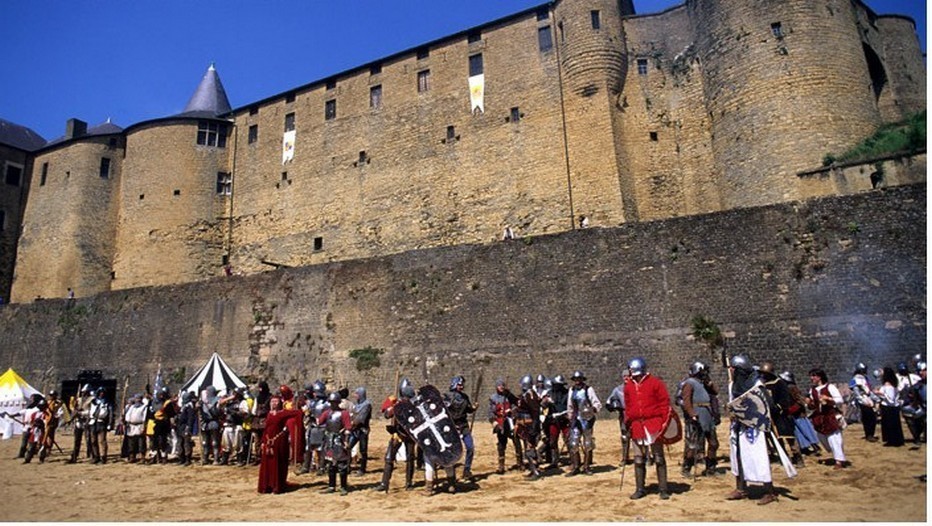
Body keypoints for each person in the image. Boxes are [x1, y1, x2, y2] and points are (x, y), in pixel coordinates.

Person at [726, 355, 778, 505]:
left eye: (733, 369)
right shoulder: (733, 385)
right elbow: (733, 403)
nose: (731, 371)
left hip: (755, 427)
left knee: (758, 456)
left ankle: (769, 491)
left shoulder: (756, 384)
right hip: (738, 426)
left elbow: (767, 405)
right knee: (737, 457)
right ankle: (741, 488)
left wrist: (747, 413)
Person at [624, 358, 671, 499]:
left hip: (654, 424)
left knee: (658, 457)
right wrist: (628, 422)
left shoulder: (655, 383)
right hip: (637, 425)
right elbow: (628, 406)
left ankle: (663, 489)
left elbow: (664, 403)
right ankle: (640, 489)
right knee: (638, 458)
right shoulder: (628, 386)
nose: (633, 374)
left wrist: (664, 422)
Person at [375, 378, 417, 492]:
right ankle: (387, 483)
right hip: (399, 433)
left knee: (406, 458)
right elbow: (388, 415)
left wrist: (392, 407)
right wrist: (392, 406)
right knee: (393, 458)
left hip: (407, 434)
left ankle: (407, 483)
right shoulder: (400, 404)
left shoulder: (410, 405)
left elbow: (387, 415)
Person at [679, 361, 720, 477]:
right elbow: (686, 400)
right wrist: (692, 413)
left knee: (713, 443)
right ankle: (687, 468)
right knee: (693, 445)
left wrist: (709, 383)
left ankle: (710, 468)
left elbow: (715, 392)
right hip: (697, 414)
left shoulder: (704, 383)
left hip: (707, 414)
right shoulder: (689, 383)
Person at [759, 362, 803, 467]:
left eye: (765, 373)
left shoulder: (779, 383)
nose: (763, 375)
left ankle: (798, 458)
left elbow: (785, 398)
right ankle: (784, 458)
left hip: (782, 415)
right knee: (777, 440)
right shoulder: (762, 385)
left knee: (790, 438)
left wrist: (778, 407)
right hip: (770, 417)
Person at [257, 395, 303, 494]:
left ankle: (277, 486)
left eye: (276, 401)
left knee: (277, 463)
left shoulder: (283, 413)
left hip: (279, 442)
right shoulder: (268, 414)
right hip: (268, 441)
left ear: (280, 403)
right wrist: (263, 442)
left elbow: (298, 413)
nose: (274, 403)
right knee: (267, 464)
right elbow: (266, 429)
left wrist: (299, 406)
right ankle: (267, 486)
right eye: (272, 401)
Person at [806, 368, 848, 469]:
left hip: (830, 416)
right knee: (822, 437)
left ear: (819, 377)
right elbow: (813, 405)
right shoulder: (813, 390)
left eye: (813, 376)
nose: (811, 378)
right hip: (819, 417)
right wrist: (809, 403)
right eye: (811, 376)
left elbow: (839, 400)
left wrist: (828, 398)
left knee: (834, 438)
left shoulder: (830, 387)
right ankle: (836, 454)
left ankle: (839, 461)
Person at [566, 370, 601, 476]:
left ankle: (586, 466)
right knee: (573, 443)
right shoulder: (571, 390)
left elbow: (596, 403)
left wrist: (592, 410)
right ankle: (576, 466)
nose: (577, 382)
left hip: (587, 419)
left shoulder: (588, 390)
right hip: (576, 419)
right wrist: (570, 417)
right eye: (575, 380)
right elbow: (570, 405)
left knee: (588, 443)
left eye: (579, 379)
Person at [780, 371, 821, 456]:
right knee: (798, 433)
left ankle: (816, 447)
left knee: (806, 431)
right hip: (793, 415)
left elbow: (800, 401)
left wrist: (792, 409)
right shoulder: (786, 388)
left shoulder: (792, 387)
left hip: (799, 414)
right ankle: (805, 449)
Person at [319, 392, 353, 495]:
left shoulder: (344, 413)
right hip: (329, 440)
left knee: (342, 465)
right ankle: (331, 485)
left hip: (339, 440)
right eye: (331, 402)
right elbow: (320, 422)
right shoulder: (327, 413)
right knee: (330, 465)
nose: (333, 404)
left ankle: (343, 486)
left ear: (338, 402)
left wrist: (346, 440)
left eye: (334, 402)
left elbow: (348, 428)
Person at [444, 375, 476, 480]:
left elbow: (468, 409)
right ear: (454, 384)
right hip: (452, 427)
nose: (461, 387)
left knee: (470, 448)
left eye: (462, 385)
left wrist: (474, 408)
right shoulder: (447, 397)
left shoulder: (465, 397)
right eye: (459, 384)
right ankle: (451, 474)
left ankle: (467, 470)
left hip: (463, 425)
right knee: (452, 450)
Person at [488, 378, 520, 474]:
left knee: (516, 441)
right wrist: (494, 422)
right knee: (501, 444)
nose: (501, 387)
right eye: (499, 385)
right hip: (501, 423)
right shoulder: (493, 398)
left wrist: (512, 410)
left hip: (510, 422)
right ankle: (501, 466)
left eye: (502, 385)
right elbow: (491, 412)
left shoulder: (509, 396)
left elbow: (518, 403)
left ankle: (520, 463)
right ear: (496, 387)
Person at [514, 375, 543, 479]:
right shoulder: (527, 395)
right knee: (528, 449)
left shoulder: (530, 395)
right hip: (526, 425)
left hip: (531, 426)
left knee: (530, 450)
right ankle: (532, 470)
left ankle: (535, 472)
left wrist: (533, 428)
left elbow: (535, 412)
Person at [299, 381, 327, 475]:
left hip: (322, 427)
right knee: (308, 447)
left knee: (321, 448)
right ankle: (306, 466)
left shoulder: (326, 403)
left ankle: (321, 467)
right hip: (312, 426)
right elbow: (308, 413)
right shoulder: (311, 402)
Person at [875, 367, 905, 447]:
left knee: (891, 424)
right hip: (891, 407)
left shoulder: (888, 385)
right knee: (891, 424)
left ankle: (893, 440)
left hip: (889, 407)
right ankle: (892, 440)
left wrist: (880, 394)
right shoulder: (892, 383)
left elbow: (890, 399)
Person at [849, 363, 879, 442]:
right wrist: (862, 400)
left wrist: (875, 398)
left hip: (868, 398)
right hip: (863, 400)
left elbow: (868, 390)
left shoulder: (865, 378)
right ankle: (869, 435)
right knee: (868, 418)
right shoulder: (856, 379)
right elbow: (856, 392)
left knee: (872, 418)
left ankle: (871, 434)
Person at [546, 374, 570, 469]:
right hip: (553, 420)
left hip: (565, 420)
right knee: (552, 441)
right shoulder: (549, 393)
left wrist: (566, 414)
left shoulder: (568, 393)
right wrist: (546, 402)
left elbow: (571, 406)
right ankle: (554, 461)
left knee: (569, 441)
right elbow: (543, 407)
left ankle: (573, 461)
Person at [606, 371, 629, 467]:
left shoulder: (637, 387)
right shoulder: (618, 389)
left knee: (640, 436)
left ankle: (646, 456)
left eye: (628, 376)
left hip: (636, 415)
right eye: (624, 376)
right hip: (623, 414)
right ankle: (625, 457)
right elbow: (609, 401)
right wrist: (612, 406)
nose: (626, 377)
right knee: (625, 436)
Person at [67, 385, 94, 463]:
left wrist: (80, 413)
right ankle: (74, 456)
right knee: (77, 440)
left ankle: (91, 454)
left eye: (85, 392)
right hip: (79, 422)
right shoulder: (79, 400)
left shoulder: (92, 400)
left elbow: (91, 412)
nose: (83, 393)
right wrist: (75, 409)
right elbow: (74, 410)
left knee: (89, 439)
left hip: (87, 421)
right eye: (82, 392)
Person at [349, 386, 372, 475]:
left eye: (356, 394)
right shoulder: (356, 405)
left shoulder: (367, 405)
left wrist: (353, 424)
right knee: (348, 447)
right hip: (354, 430)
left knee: (363, 450)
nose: (355, 396)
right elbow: (353, 415)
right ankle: (347, 467)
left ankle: (362, 469)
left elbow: (361, 418)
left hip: (363, 430)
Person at [88, 387, 113, 464]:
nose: (101, 394)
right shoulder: (93, 401)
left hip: (101, 422)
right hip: (93, 422)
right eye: (100, 392)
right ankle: (96, 456)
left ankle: (103, 457)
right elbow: (89, 411)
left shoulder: (107, 403)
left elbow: (110, 414)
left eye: (103, 392)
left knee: (102, 441)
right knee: (93, 441)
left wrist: (110, 423)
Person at [38, 389, 65, 463]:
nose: (51, 397)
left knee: (50, 437)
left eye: (53, 395)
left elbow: (60, 413)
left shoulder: (59, 403)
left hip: (52, 422)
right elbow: (43, 411)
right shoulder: (47, 402)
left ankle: (47, 450)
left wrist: (55, 415)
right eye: (50, 395)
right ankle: (42, 448)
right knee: (43, 436)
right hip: (45, 421)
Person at [249, 381, 271, 465]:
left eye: (261, 387)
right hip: (257, 421)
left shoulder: (270, 397)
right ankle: (258, 457)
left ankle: (265, 456)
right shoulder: (257, 398)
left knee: (266, 439)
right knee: (257, 440)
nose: (260, 389)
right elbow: (254, 410)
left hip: (266, 420)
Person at [123, 394, 148, 463]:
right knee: (131, 442)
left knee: (141, 442)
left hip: (140, 426)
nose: (137, 400)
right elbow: (128, 416)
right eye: (136, 399)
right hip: (131, 426)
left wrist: (144, 426)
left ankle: (142, 457)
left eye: (139, 399)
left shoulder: (144, 407)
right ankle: (132, 457)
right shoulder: (132, 407)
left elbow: (144, 417)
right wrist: (125, 420)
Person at [176, 391, 198, 466]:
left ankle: (187, 459)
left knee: (187, 444)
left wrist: (189, 427)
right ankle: (181, 459)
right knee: (180, 443)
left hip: (186, 426)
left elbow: (190, 418)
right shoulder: (183, 406)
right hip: (180, 427)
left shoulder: (189, 406)